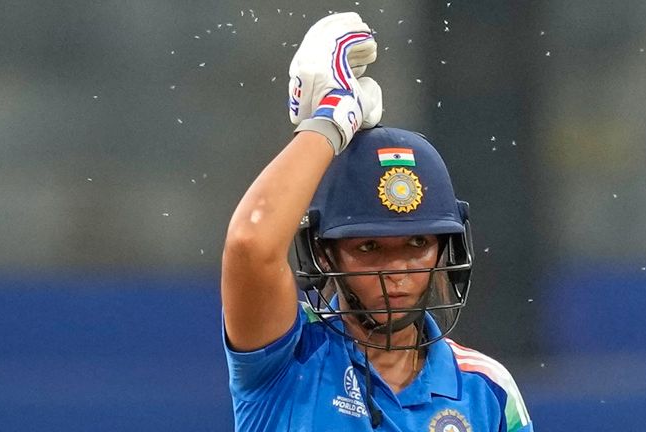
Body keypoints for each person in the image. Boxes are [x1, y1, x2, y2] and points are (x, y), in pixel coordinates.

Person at [221, 12, 533, 431]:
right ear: (324, 250)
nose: (398, 272)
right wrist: (329, 121)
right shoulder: (287, 355)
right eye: (368, 248)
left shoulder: (487, 390)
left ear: (445, 246)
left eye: (417, 243)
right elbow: (250, 243)